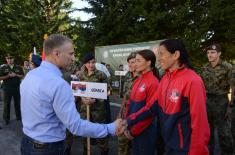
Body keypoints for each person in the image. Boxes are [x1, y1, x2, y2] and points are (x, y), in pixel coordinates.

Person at [20, 34, 124, 155]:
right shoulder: (58, 84)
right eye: (71, 53)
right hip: (48, 148)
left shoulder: (30, 75)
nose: (73, 58)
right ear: (56, 53)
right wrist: (110, 128)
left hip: (28, 142)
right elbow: (76, 126)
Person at [156, 39, 210, 155]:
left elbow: (200, 122)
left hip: (185, 148)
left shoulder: (193, 81)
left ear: (176, 55)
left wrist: (197, 152)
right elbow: (154, 107)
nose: (159, 58)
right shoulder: (164, 79)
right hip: (168, 145)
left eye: (161, 54)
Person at [123, 49, 159, 155]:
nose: (135, 64)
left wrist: (133, 130)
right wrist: (126, 124)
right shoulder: (138, 80)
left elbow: (150, 112)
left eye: (138, 61)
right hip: (133, 128)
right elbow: (129, 103)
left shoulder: (154, 82)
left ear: (148, 63)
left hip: (145, 132)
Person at [201, 43, 234, 155]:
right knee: (208, 131)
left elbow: (233, 86)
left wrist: (231, 105)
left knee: (224, 132)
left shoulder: (227, 67)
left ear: (219, 53)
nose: (209, 55)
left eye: (213, 52)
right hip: (208, 101)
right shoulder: (204, 67)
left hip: (222, 101)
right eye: (208, 53)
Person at [79, 53, 111, 155]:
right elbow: (78, 90)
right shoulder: (81, 75)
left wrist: (95, 100)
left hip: (98, 110)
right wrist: (82, 98)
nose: (91, 65)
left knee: (100, 132)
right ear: (85, 64)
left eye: (93, 62)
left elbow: (108, 91)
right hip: (85, 109)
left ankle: (104, 151)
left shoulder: (101, 75)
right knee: (84, 132)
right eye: (88, 63)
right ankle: (86, 150)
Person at [117, 52, 137, 155]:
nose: (130, 65)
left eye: (133, 62)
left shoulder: (143, 78)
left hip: (137, 117)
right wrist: (119, 114)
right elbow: (125, 97)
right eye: (129, 62)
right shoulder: (128, 75)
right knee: (122, 144)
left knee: (136, 146)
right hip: (125, 115)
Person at [0, 54, 23, 125]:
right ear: (6, 59)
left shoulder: (18, 67)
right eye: (8, 58)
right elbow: (0, 77)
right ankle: (6, 119)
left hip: (17, 88)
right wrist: (8, 76)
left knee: (18, 103)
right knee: (7, 104)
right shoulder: (3, 67)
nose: (10, 60)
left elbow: (22, 75)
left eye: (11, 58)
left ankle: (19, 116)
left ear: (13, 59)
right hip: (7, 88)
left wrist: (16, 75)